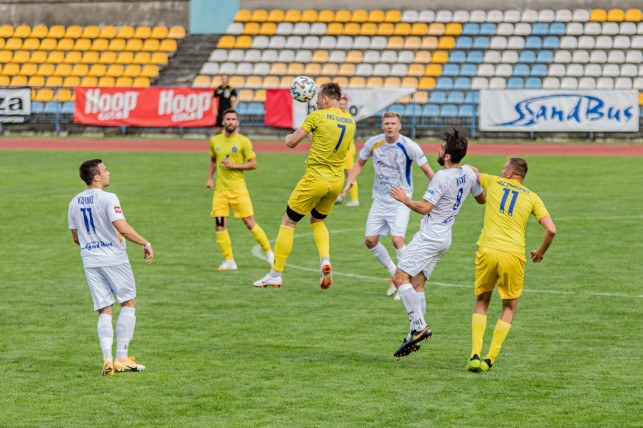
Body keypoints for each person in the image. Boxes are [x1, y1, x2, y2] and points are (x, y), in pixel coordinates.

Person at [389, 129, 486, 358]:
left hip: (430, 237)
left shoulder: (442, 177)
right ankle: (414, 331)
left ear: (448, 156)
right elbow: (481, 199)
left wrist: (404, 199)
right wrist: (476, 173)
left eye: (442, 148)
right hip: (444, 238)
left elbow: (425, 208)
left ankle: (419, 327)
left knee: (399, 278)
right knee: (417, 282)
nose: (439, 150)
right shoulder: (469, 173)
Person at [253, 82, 356, 289]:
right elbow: (324, 139)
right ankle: (325, 260)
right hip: (336, 182)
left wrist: (288, 137)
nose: (316, 101)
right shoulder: (350, 120)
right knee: (317, 221)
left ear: (326, 99)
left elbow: (292, 143)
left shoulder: (317, 116)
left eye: (318, 97)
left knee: (288, 222)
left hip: (315, 179)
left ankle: (276, 273)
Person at [466, 158, 556, 372]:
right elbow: (551, 229)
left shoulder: (494, 182)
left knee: (482, 302)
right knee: (509, 306)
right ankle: (489, 359)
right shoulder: (533, 197)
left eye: (504, 167)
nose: (501, 170)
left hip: (487, 250)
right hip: (513, 255)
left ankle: (474, 354)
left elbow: (472, 171)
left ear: (509, 174)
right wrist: (540, 252)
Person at [68, 159, 152, 375]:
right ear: (96, 177)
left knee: (104, 308)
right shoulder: (108, 198)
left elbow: (76, 237)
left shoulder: (74, 202)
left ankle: (107, 358)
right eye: (105, 170)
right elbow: (122, 228)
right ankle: (122, 358)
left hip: (90, 260)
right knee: (128, 301)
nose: (109, 173)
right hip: (113, 257)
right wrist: (145, 242)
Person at [341, 111, 434, 298]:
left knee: (397, 239)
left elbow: (428, 171)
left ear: (399, 126)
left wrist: (438, 194)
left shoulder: (409, 146)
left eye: (393, 123)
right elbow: (359, 163)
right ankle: (394, 274)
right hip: (380, 200)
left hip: (401, 200)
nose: (390, 126)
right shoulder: (374, 143)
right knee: (370, 240)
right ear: (382, 126)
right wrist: (350, 181)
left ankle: (404, 283)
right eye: (387, 123)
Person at [207, 109, 274, 270]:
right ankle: (229, 260)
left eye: (233, 119)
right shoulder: (215, 141)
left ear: (238, 123)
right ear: (223, 122)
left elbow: (253, 164)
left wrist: (234, 165)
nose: (230, 122)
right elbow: (213, 160)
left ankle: (270, 254)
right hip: (221, 192)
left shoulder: (244, 141)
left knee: (250, 223)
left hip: (238, 190)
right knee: (219, 225)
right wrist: (209, 178)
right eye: (227, 119)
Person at [335, 96, 359, 207]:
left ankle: (355, 199)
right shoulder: (339, 116)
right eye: (340, 104)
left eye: (343, 104)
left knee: (349, 174)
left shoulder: (346, 117)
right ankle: (337, 196)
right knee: (337, 173)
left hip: (347, 151)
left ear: (346, 105)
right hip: (341, 150)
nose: (341, 106)